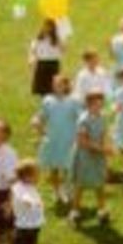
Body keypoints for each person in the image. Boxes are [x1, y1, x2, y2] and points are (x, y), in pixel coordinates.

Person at [34, 75, 83, 203]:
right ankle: (56, 191)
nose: (57, 87)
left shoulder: (74, 101)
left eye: (60, 84)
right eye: (55, 85)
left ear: (66, 85)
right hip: (53, 138)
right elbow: (42, 115)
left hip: (68, 138)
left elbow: (81, 118)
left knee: (68, 166)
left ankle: (67, 189)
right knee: (53, 166)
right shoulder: (48, 100)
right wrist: (37, 122)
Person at [70, 93, 110, 224]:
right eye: (96, 105)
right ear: (88, 105)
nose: (99, 107)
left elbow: (103, 134)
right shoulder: (83, 120)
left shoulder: (102, 117)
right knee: (80, 184)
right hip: (84, 156)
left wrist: (104, 150)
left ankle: (102, 209)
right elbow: (82, 142)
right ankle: (75, 211)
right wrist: (102, 149)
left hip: (98, 155)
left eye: (101, 104)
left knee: (100, 183)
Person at [10, 160, 45, 244]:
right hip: (24, 231)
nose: (38, 177)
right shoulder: (21, 189)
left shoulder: (27, 186)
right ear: (27, 176)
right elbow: (24, 198)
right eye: (36, 174)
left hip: (31, 229)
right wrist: (30, 202)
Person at [28, 19, 64, 99]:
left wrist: (59, 41)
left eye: (50, 27)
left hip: (53, 64)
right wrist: (31, 59)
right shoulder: (38, 39)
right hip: (42, 64)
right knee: (43, 89)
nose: (48, 29)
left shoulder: (57, 39)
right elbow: (33, 50)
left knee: (53, 88)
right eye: (46, 26)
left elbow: (63, 50)